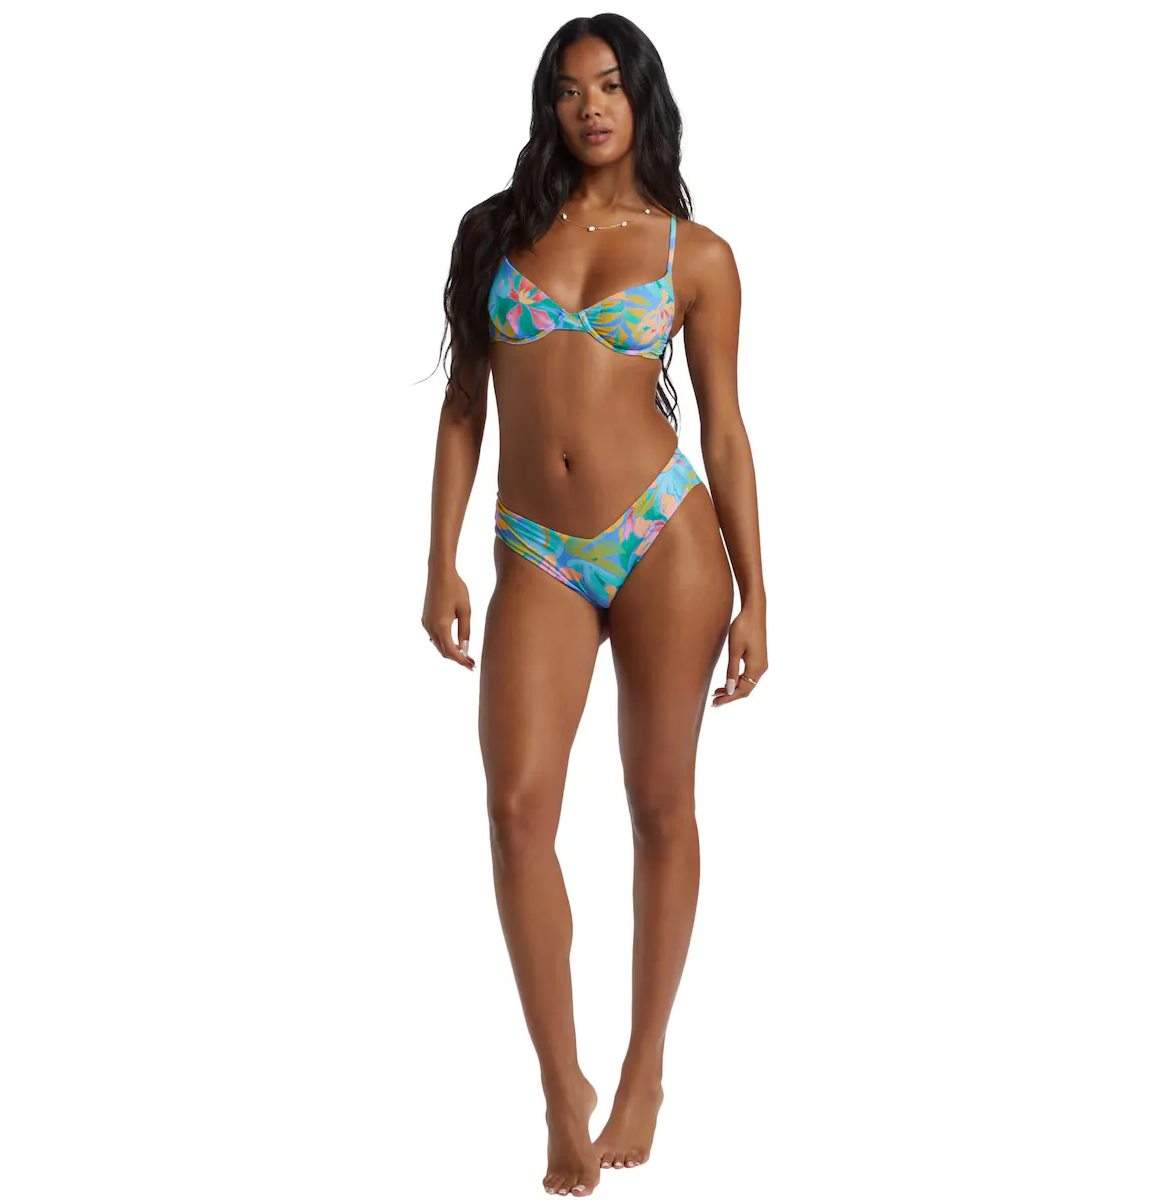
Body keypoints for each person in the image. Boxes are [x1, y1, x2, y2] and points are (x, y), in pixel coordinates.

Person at [422, 14, 767, 1197]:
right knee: (517, 811)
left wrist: (760, 594)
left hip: (667, 537)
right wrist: (441, 561)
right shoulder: (495, 234)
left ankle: (646, 1064)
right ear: (549, 107)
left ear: (641, 99)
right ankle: (559, 1085)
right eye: (570, 90)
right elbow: (464, 405)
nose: (591, 107)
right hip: (535, 549)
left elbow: (726, 431)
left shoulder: (695, 255)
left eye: (611, 86)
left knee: (660, 803)